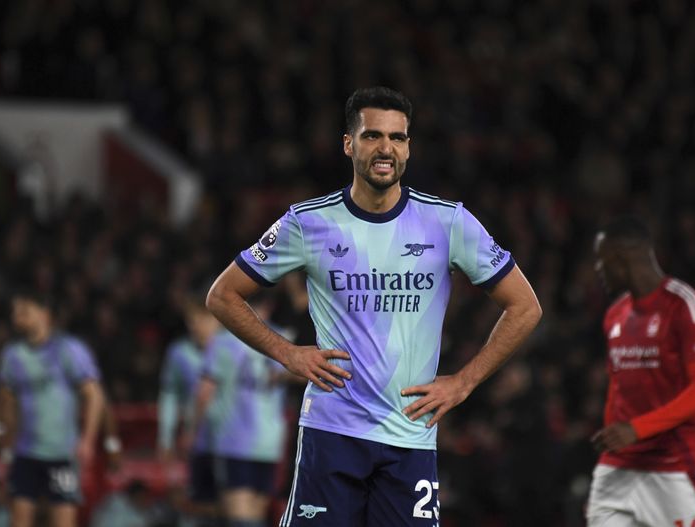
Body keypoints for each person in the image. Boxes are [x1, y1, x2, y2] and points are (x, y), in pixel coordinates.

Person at [205, 86, 542, 526]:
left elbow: (525, 306)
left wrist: (464, 383)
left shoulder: (448, 222)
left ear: (408, 147)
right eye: (372, 136)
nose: (386, 148)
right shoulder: (309, 223)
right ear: (349, 144)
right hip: (332, 433)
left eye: (397, 138)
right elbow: (222, 296)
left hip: (410, 438)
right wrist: (287, 353)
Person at [587, 217, 695, 527]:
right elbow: (616, 385)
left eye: (601, 260)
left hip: (676, 467)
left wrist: (636, 429)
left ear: (623, 257)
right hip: (619, 468)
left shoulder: (685, 306)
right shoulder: (614, 315)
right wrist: (613, 434)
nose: (597, 270)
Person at [0, 287, 104, 527]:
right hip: (25, 453)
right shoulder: (12, 355)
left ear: (44, 314)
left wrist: (87, 439)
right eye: (15, 312)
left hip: (62, 453)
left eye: (23, 311)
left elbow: (94, 396)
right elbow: (5, 401)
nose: (16, 317)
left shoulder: (69, 350)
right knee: (19, 520)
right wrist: (3, 433)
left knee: (63, 521)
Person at [194, 294, 294, 527]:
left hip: (235, 441)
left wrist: (193, 430)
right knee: (256, 514)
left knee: (240, 516)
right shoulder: (286, 338)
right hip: (271, 442)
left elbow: (205, 392)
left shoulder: (223, 341)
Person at [157, 296, 221, 524]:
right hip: (196, 444)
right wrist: (165, 438)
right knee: (194, 507)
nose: (197, 325)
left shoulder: (234, 348)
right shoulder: (179, 353)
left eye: (203, 318)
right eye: (191, 320)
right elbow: (170, 395)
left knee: (231, 507)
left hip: (231, 444)